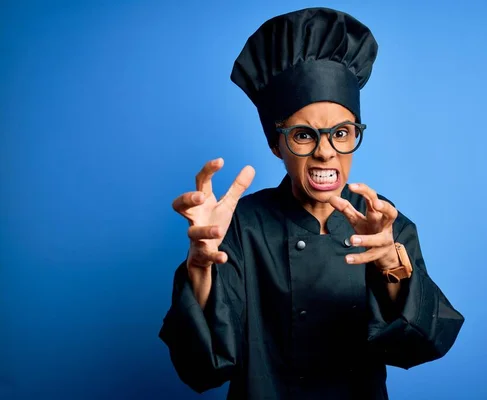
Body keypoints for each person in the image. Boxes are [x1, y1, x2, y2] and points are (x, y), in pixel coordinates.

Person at [159, 7, 464, 400]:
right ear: (276, 144)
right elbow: (201, 368)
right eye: (304, 135)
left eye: (341, 132)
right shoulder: (240, 224)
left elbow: (423, 345)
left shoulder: (382, 223)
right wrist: (199, 267)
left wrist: (391, 263)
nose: (326, 152)